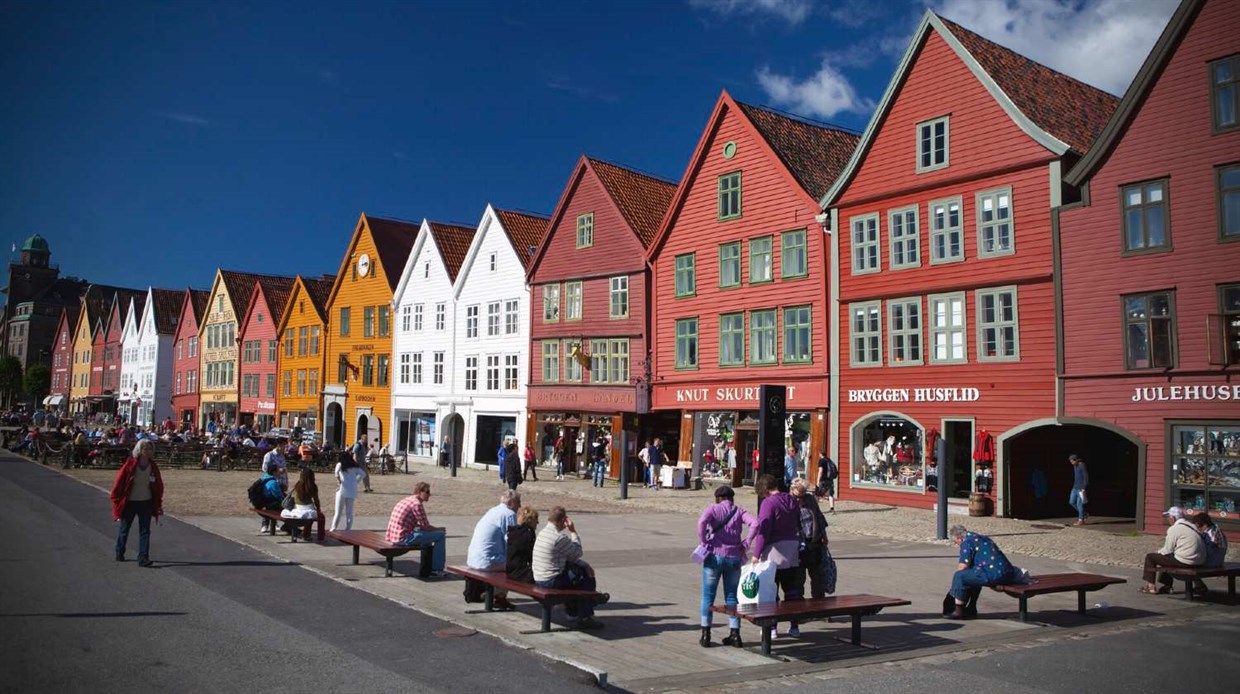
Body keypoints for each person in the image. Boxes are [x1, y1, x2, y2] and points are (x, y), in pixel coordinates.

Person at [696, 485, 758, 648]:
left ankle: (706, 634)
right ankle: (735, 634)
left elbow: (702, 522)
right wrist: (747, 541)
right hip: (734, 558)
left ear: (718, 498)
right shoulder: (739, 511)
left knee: (708, 596)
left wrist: (703, 541)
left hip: (714, 557)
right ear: (732, 498)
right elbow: (756, 524)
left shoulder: (712, 509)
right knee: (732, 596)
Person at [751, 473, 805, 637]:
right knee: (791, 590)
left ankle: (772, 628)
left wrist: (756, 554)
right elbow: (798, 522)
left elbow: (763, 530)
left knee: (771, 590)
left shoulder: (768, 503)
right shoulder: (792, 500)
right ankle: (794, 626)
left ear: (764, 489)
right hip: (792, 548)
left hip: (774, 549)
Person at [533, 506, 604, 630]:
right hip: (550, 581)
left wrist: (584, 564)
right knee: (585, 576)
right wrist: (572, 531)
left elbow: (566, 556)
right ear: (562, 521)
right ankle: (585, 615)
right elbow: (577, 552)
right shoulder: (559, 538)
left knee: (577, 570)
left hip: (539, 577)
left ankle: (574, 612)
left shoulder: (542, 533)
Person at [109, 439, 164, 567]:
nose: (148, 451)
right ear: (139, 450)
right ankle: (119, 551)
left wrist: (158, 503)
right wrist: (116, 500)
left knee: (145, 531)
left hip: (146, 502)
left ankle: (143, 557)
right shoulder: (130, 464)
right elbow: (119, 483)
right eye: (145, 448)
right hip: (129, 502)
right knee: (125, 528)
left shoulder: (153, 466)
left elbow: (158, 486)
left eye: (150, 449)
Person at [945, 524, 1018, 619]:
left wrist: (956, 586)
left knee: (959, 576)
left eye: (956, 542)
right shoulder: (982, 538)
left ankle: (959, 610)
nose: (957, 544)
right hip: (1008, 573)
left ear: (959, 538)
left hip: (994, 575)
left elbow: (963, 567)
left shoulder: (967, 542)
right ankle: (972, 607)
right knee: (974, 575)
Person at [466, 490, 522, 610]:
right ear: (511, 503)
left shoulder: (493, 511)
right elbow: (511, 542)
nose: (520, 506)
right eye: (518, 502)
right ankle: (498, 595)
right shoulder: (509, 514)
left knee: (506, 560)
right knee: (516, 566)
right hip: (486, 561)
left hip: (473, 558)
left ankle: (496, 593)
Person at [1140, 506, 1206, 594]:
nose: (1168, 519)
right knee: (1168, 558)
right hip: (1200, 561)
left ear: (1173, 518)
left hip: (1186, 562)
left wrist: (1158, 552)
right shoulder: (1192, 526)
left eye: (1168, 517)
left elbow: (1167, 550)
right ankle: (1199, 584)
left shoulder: (1174, 529)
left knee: (1151, 557)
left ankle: (1151, 586)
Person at [386, 481, 446, 577]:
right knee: (440, 535)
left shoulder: (407, 500)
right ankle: (437, 569)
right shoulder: (417, 504)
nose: (429, 494)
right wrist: (440, 529)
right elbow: (426, 526)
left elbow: (420, 525)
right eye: (427, 492)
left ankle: (426, 567)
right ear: (419, 492)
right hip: (403, 538)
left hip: (393, 536)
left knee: (425, 536)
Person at [790, 478, 829, 599]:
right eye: (797, 495)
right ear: (792, 490)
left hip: (814, 542)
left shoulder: (810, 499)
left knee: (818, 577)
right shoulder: (789, 501)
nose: (799, 499)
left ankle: (819, 605)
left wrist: (824, 535)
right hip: (797, 545)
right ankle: (799, 608)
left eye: (802, 495)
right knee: (798, 578)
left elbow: (819, 516)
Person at [1190, 511, 1229, 596]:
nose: (1197, 528)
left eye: (1197, 525)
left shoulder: (1210, 533)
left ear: (1204, 524)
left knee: (1188, 564)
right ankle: (1199, 585)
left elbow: (1208, 547)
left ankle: (1199, 586)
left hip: (1212, 561)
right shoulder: (1216, 529)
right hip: (1218, 560)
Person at [280, 468, 322, 540]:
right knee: (311, 516)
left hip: (297, 508)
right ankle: (306, 535)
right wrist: (318, 508)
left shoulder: (298, 484)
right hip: (308, 508)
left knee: (307, 515)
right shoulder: (313, 486)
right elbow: (316, 500)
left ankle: (290, 528)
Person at [330, 451, 364, 531]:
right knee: (349, 512)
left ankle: (333, 528)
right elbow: (363, 474)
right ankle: (348, 529)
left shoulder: (340, 464)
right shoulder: (354, 466)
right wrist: (356, 481)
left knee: (338, 512)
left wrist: (339, 482)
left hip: (342, 488)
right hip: (352, 489)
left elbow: (336, 473)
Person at [507, 506, 540, 584]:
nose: (537, 522)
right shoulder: (528, 533)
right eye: (536, 519)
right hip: (520, 572)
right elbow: (532, 556)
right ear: (529, 520)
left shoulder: (514, 531)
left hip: (510, 569)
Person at [254, 463, 285, 534]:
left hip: (261, 504)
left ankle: (266, 525)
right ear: (274, 472)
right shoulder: (273, 483)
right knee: (288, 507)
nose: (279, 472)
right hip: (270, 505)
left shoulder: (264, 478)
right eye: (278, 470)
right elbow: (279, 496)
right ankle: (289, 527)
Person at [1068, 453, 1088, 525]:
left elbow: (1085, 477)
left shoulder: (1082, 465)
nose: (1071, 463)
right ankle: (1084, 514)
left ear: (1076, 460)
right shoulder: (1075, 466)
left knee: (1080, 504)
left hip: (1080, 488)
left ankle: (1081, 520)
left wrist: (1084, 487)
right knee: (1071, 502)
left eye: (1072, 461)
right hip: (1075, 487)